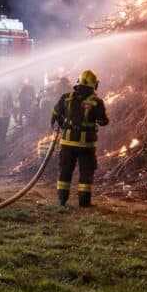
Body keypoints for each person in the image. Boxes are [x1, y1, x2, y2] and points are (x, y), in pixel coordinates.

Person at [51, 70, 109, 208]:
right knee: (86, 172)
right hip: (86, 145)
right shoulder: (96, 102)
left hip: (67, 142)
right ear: (94, 84)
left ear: (78, 82)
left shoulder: (66, 98)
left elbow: (54, 115)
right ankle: (84, 202)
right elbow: (103, 121)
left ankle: (62, 200)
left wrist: (64, 123)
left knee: (65, 170)